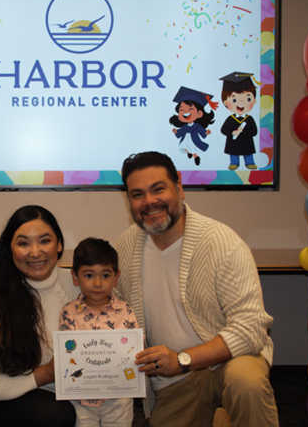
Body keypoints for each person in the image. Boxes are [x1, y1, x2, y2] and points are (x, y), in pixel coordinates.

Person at [114, 151, 278, 426]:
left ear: (179, 186)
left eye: (158, 189)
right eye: (137, 194)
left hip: (229, 363)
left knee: (246, 384)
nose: (149, 202)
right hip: (173, 381)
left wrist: (183, 358)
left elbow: (251, 329)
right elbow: (114, 312)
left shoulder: (222, 242)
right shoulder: (125, 247)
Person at [0, 205, 80, 427]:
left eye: (45, 240)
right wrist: (46, 374)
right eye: (23, 243)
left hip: (45, 391)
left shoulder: (80, 286)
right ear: (10, 249)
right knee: (57, 415)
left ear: (59, 244)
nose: (35, 252)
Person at [59, 237, 138, 427]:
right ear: (75, 277)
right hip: (80, 398)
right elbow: (66, 353)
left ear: (116, 277)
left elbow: (135, 349)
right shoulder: (68, 312)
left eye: (105, 275)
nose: (97, 283)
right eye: (88, 275)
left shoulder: (125, 311)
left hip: (119, 396)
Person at [169, 86, 217, 167]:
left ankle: (195, 156)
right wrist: (176, 132)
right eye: (181, 110)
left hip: (194, 141)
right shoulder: (184, 127)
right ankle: (189, 153)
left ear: (199, 114)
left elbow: (202, 132)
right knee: (184, 147)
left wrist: (206, 132)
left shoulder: (197, 126)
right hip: (185, 140)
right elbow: (180, 133)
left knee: (194, 148)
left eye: (190, 109)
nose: (185, 112)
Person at [219, 72, 259, 171]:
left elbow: (254, 132)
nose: (241, 103)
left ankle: (249, 162)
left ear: (254, 101)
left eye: (248, 98)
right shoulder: (230, 119)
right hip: (233, 142)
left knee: (248, 152)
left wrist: (244, 132)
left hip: (246, 141)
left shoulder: (249, 119)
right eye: (234, 100)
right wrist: (233, 132)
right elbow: (223, 130)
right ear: (225, 102)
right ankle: (234, 163)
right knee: (233, 153)